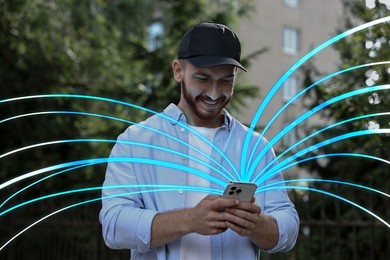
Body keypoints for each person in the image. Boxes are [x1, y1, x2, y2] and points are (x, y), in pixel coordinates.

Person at [99, 22, 299, 260]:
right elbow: (113, 226)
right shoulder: (136, 142)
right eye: (202, 78)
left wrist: (256, 224)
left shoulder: (255, 147)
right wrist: (190, 220)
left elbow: (289, 228)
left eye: (226, 80)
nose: (214, 93)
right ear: (178, 71)